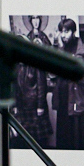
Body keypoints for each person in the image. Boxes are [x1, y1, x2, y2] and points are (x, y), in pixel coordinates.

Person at [50, 19, 84, 149]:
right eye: (61, 31)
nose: (63, 35)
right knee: (64, 138)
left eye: (66, 31)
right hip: (62, 101)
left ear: (74, 32)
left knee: (80, 139)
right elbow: (52, 75)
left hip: (79, 101)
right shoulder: (59, 50)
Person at [14, 16, 54, 144]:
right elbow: (15, 87)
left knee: (40, 140)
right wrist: (15, 106)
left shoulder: (35, 62)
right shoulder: (16, 65)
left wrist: (40, 106)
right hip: (22, 107)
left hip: (35, 106)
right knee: (26, 138)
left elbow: (42, 86)